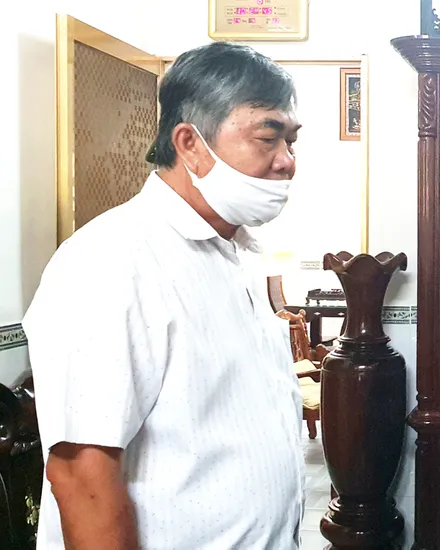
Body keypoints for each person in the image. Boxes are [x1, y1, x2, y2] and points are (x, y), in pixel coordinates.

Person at [22, 42, 305, 549]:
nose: (286, 161)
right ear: (190, 143)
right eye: (268, 138)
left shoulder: (238, 252)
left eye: (291, 141)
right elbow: (82, 474)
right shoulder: (111, 261)